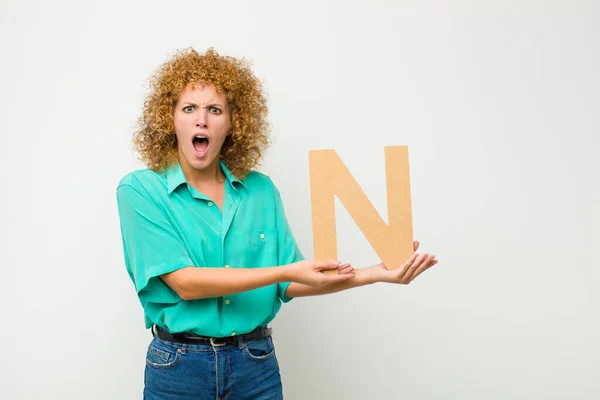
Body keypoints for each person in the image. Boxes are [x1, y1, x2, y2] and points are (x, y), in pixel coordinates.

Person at [116, 47, 438, 399]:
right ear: (170, 119)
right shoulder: (140, 191)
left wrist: (377, 272)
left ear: (232, 123)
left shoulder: (261, 191)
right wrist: (283, 273)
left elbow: (296, 281)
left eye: (215, 109)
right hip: (179, 369)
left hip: (254, 365)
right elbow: (186, 284)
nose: (201, 120)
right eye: (189, 108)